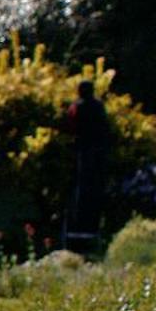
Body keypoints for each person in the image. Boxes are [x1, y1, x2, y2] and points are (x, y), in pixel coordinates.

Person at [59, 79, 111, 254]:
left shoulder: (77, 107)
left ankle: (79, 230)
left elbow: (69, 127)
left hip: (82, 153)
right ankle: (92, 228)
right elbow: (105, 129)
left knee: (81, 192)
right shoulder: (99, 107)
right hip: (99, 154)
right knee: (95, 191)